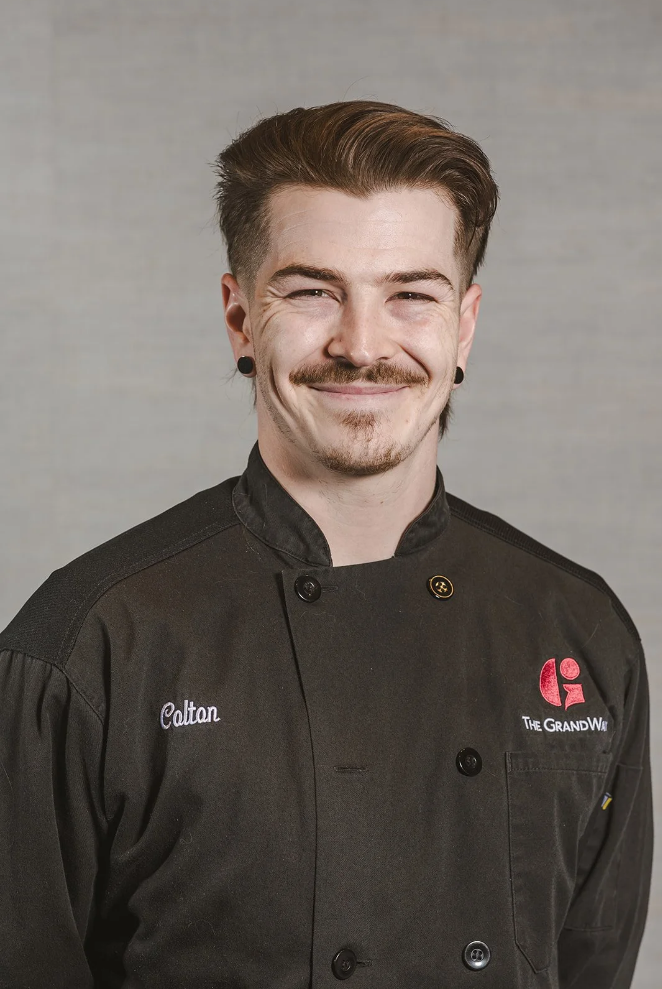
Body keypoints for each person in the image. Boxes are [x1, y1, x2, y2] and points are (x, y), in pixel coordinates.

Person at [0, 100, 652, 988]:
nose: (361, 344)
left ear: (463, 325)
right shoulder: (90, 642)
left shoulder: (578, 631)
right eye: (312, 291)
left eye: (410, 295)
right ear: (240, 318)